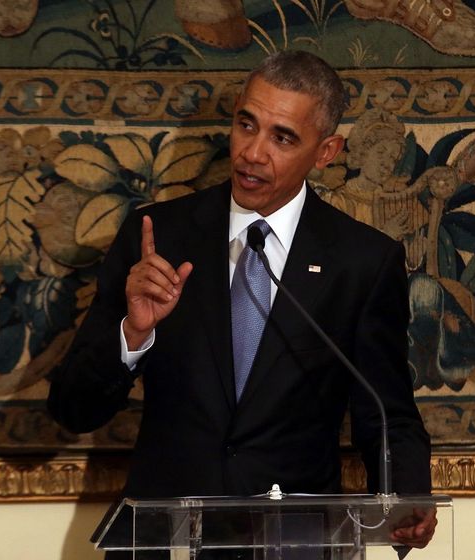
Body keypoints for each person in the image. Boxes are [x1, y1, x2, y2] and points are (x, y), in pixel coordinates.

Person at [48, 50, 435, 557]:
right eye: (245, 125)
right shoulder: (158, 238)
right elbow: (72, 410)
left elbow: (386, 411)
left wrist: (408, 496)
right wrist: (132, 334)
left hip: (294, 542)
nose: (252, 153)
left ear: (326, 151)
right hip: (168, 540)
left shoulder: (362, 261)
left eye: (282, 137)